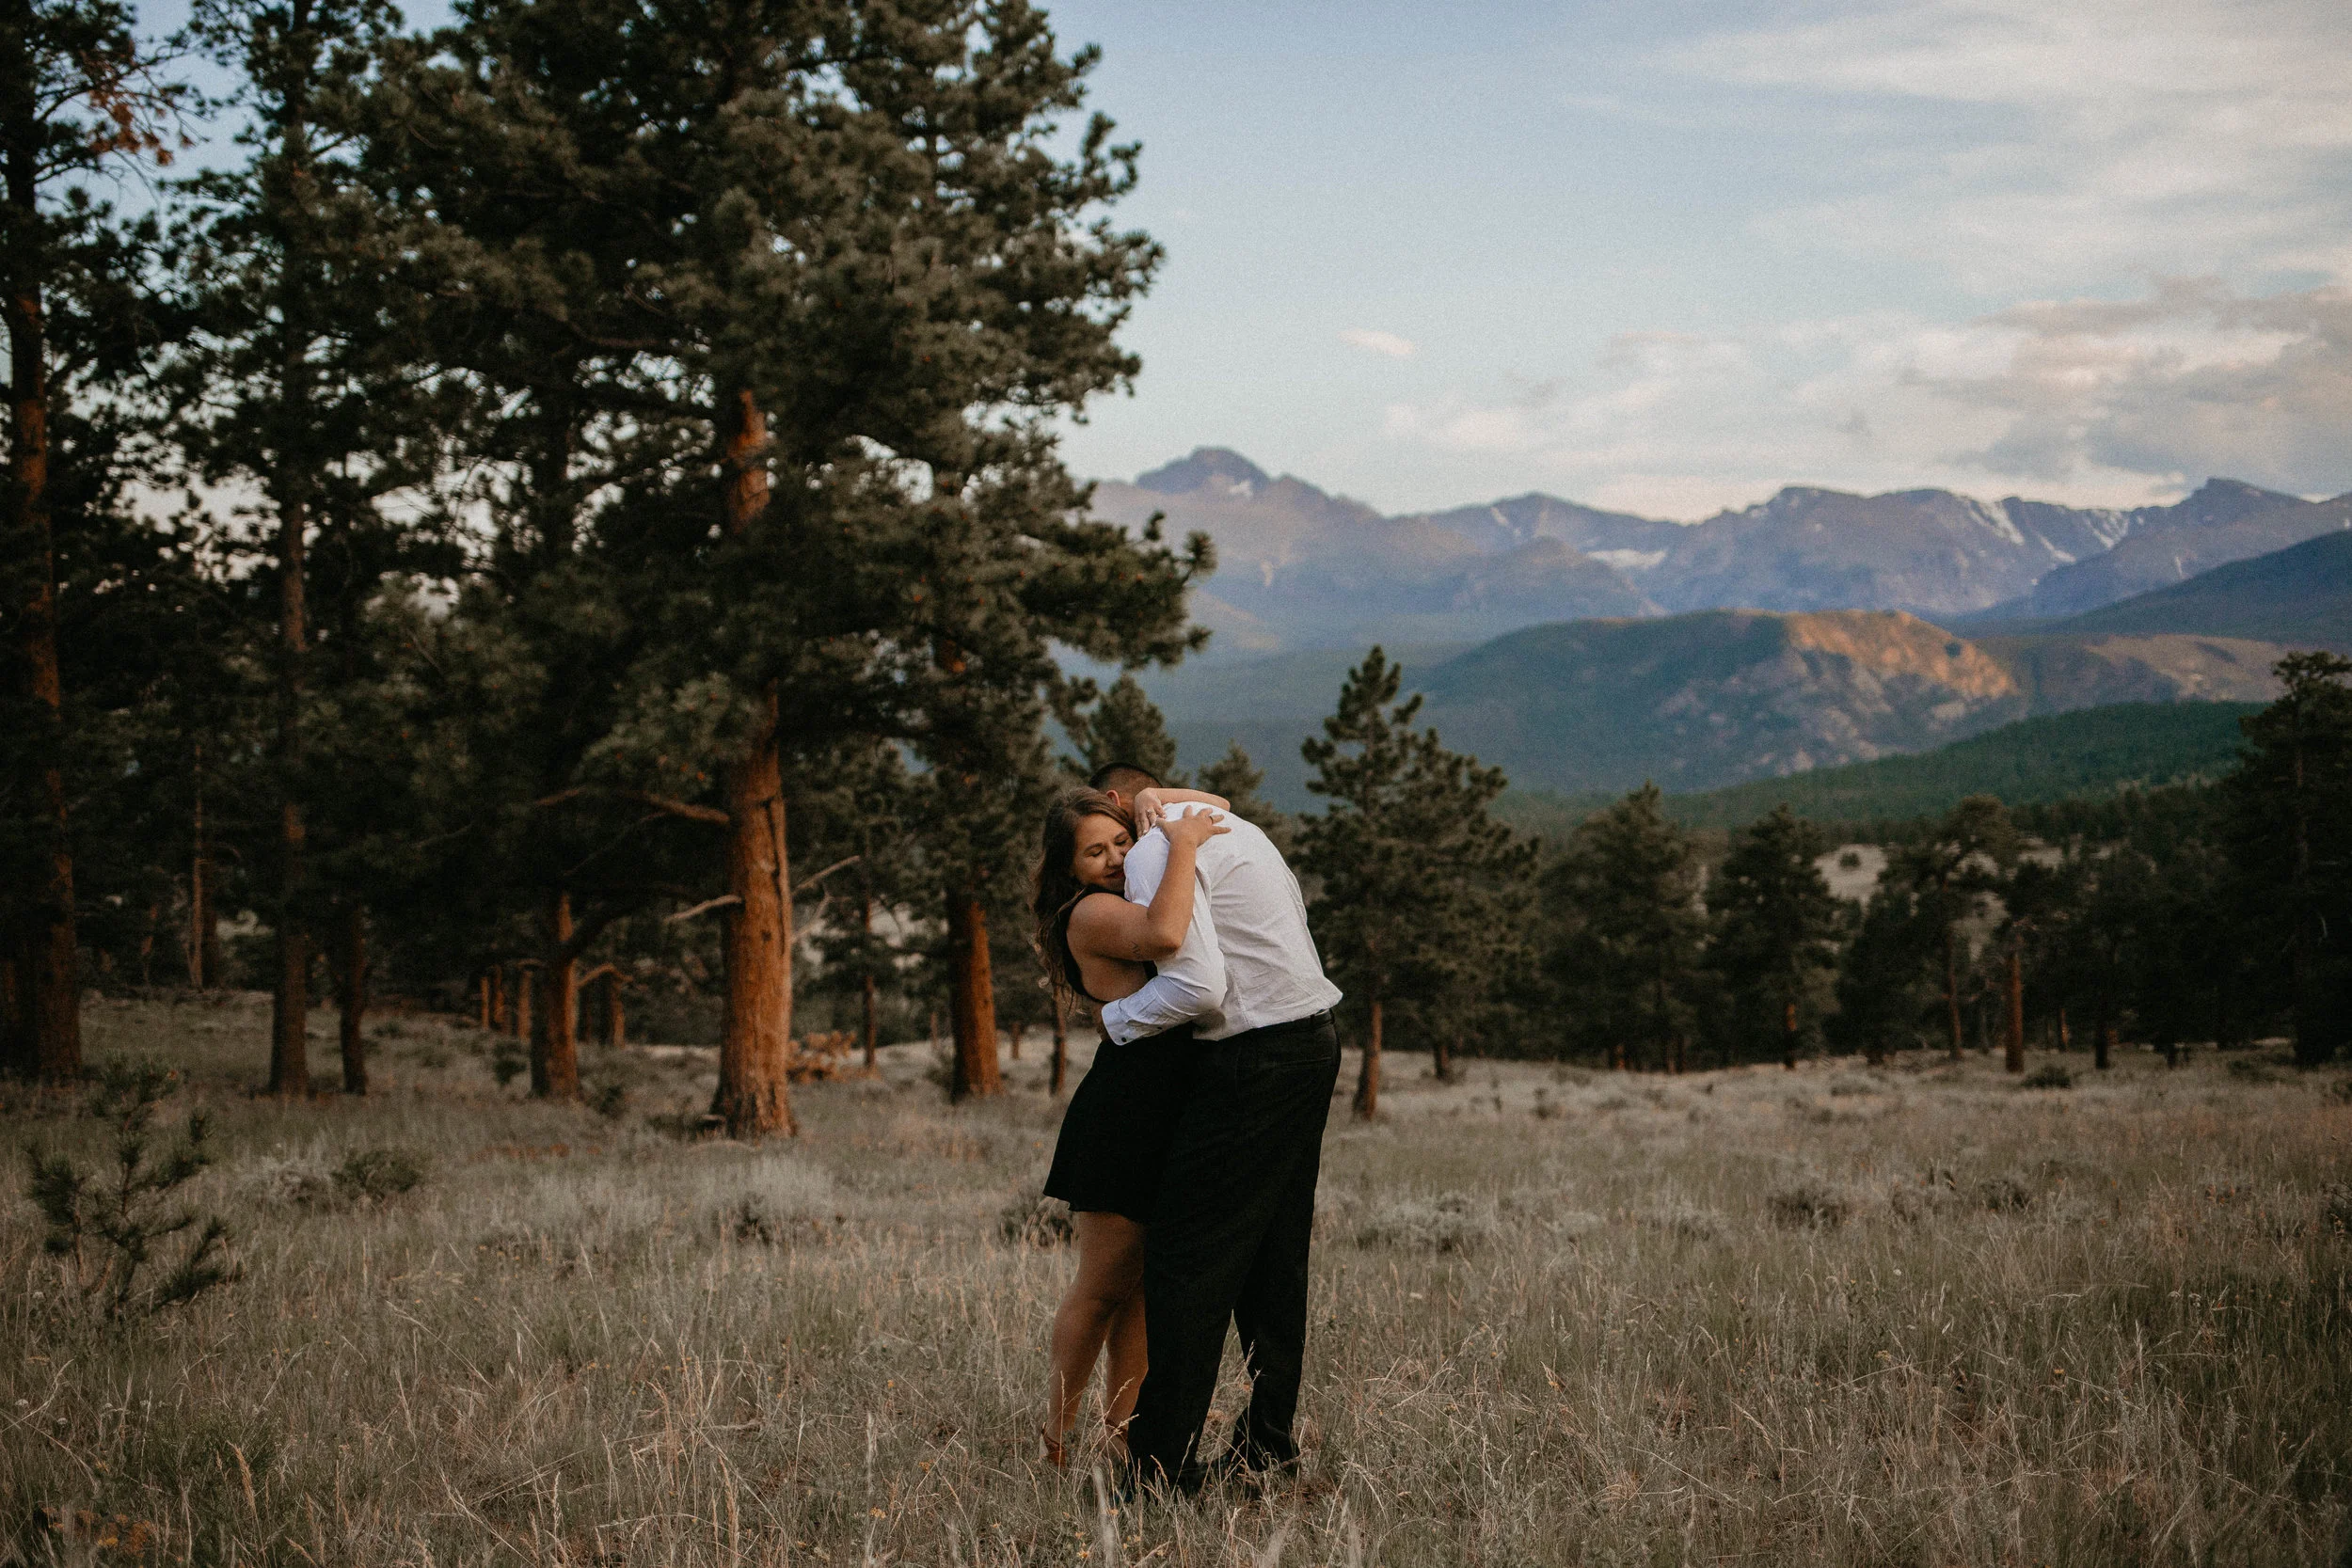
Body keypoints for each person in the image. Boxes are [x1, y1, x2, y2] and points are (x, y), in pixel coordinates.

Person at [1089, 760, 1344, 1496]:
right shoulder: (1226, 824)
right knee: (1274, 1256)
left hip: (1252, 1057)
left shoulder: (1154, 850)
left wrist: (1117, 1018)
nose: (1108, 861)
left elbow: (1200, 985)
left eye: (1103, 835)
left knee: (1185, 1258)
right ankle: (1267, 1447)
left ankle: (1158, 1470)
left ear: (1117, 802)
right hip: (1312, 1040)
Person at [1028, 785, 1232, 1468]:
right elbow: (1167, 934)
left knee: (1143, 1291)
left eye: (1121, 841)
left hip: (1168, 1104)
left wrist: (1150, 798)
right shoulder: (1090, 912)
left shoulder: (1126, 886)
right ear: (1069, 868)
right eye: (1095, 852)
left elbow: (1218, 801)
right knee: (1100, 1289)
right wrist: (1183, 843)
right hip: (1126, 1113)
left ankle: (1123, 1435)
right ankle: (1055, 1443)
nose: (1116, 858)